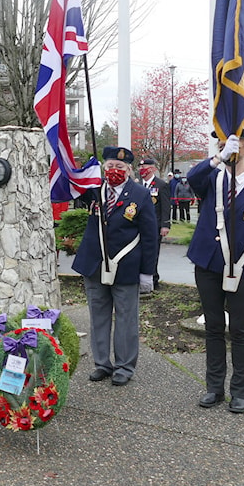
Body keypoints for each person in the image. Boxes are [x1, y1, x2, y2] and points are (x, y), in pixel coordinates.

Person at [186, 131, 244, 414]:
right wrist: (217, 159)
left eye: (235, 144)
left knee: (240, 329)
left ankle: (240, 391)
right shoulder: (213, 178)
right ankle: (214, 387)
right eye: (223, 145)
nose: (230, 149)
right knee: (213, 327)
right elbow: (192, 179)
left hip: (243, 267)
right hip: (209, 265)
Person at [71, 146, 158, 387]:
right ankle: (102, 363)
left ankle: (124, 366)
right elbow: (69, 184)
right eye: (109, 166)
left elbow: (150, 237)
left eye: (120, 167)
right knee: (98, 317)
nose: (114, 171)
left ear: (129, 170)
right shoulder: (93, 190)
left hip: (126, 266)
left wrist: (147, 272)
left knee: (126, 319)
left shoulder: (140, 195)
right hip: (95, 265)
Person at [136, 157, 171, 290]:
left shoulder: (161, 185)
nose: (142, 170)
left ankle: (153, 279)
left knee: (152, 252)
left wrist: (165, 225)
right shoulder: (138, 185)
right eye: (140, 167)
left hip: (155, 226)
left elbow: (166, 207)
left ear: (153, 169)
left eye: (145, 168)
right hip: (139, 225)